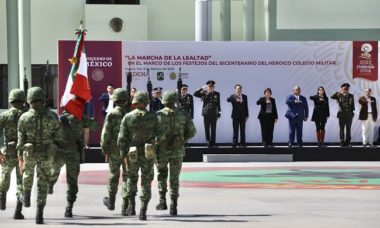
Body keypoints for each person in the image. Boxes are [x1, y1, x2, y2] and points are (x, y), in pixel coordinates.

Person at [17, 87, 66, 224]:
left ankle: (26, 198)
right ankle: (39, 215)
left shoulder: (24, 117)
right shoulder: (52, 116)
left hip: (30, 152)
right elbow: (59, 136)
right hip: (46, 153)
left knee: (27, 175)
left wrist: (20, 156)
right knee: (42, 183)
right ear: (43, 99)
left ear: (29, 100)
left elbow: (20, 141)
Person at [49, 103, 99, 218]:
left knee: (54, 170)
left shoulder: (58, 119)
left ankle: (50, 184)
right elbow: (95, 126)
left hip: (59, 152)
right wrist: (92, 119)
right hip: (73, 153)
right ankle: (69, 207)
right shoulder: (80, 117)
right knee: (72, 180)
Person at [117, 91, 160, 220]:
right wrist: (155, 146)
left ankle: (131, 205)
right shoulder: (153, 117)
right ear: (146, 103)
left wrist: (123, 154)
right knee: (146, 181)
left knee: (131, 179)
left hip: (132, 153)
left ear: (135, 102)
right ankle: (143, 210)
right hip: (148, 152)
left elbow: (121, 138)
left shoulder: (128, 117)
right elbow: (160, 135)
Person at [155, 91, 196, 216]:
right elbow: (192, 132)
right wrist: (182, 138)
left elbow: (152, 133)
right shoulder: (184, 114)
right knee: (174, 178)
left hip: (162, 151)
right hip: (177, 150)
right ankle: (174, 205)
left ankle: (162, 201)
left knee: (161, 174)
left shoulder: (158, 115)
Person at [101, 88, 130, 215]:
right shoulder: (131, 113)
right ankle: (126, 205)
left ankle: (111, 202)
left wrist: (104, 148)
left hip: (114, 150)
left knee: (113, 175)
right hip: (129, 150)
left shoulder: (112, 114)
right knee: (127, 177)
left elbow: (106, 134)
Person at [0, 89, 27, 219]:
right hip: (23, 154)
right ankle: (18, 211)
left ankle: (2, 198)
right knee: (21, 181)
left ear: (10, 100)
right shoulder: (27, 115)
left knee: (4, 176)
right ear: (23, 100)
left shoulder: (4, 116)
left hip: (8, 151)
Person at [194, 80, 221, 147]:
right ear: (207, 87)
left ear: (214, 87)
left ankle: (213, 143)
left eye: (212, 86)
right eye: (209, 86)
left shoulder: (217, 94)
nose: (210, 87)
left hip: (214, 113)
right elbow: (195, 94)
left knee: (213, 129)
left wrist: (219, 113)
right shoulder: (204, 93)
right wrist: (202, 88)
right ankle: (208, 142)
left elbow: (218, 104)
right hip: (206, 113)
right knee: (207, 128)